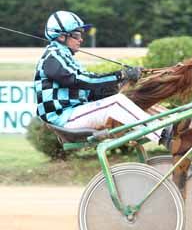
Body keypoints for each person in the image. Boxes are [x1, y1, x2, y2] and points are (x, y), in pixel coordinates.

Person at [34, 10, 162, 143]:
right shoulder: (52, 57)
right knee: (117, 102)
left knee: (131, 98)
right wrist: (121, 75)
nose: (81, 39)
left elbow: (88, 89)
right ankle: (164, 136)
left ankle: (171, 127)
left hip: (74, 114)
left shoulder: (64, 56)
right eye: (77, 35)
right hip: (65, 120)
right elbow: (81, 80)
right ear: (61, 37)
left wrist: (120, 83)